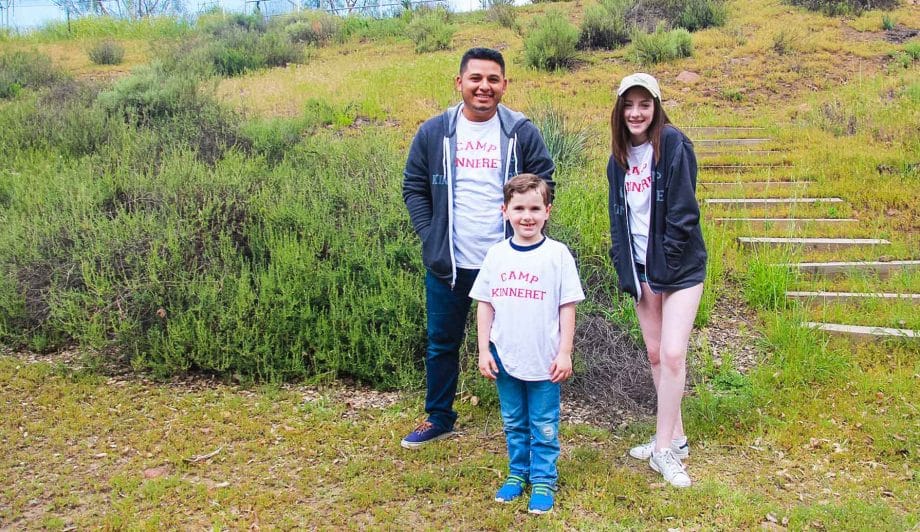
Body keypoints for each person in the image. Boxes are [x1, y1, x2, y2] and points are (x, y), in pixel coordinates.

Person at [401, 48, 555, 449]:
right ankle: (439, 417)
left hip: (507, 261)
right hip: (449, 261)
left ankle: (520, 421)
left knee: (518, 338)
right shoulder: (434, 133)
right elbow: (414, 187)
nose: (483, 86)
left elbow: (546, 181)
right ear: (460, 83)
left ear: (504, 85)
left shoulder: (521, 132)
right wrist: (430, 234)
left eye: (492, 79)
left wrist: (525, 231)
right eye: (475, 78)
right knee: (441, 341)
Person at [606, 73, 707, 488]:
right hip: (642, 268)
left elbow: (684, 214)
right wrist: (626, 266)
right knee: (653, 354)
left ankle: (663, 451)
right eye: (628, 105)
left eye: (644, 104)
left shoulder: (674, 145)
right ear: (619, 110)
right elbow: (618, 219)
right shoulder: (619, 158)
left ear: (656, 107)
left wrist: (664, 267)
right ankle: (675, 437)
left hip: (679, 269)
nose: (636, 112)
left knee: (672, 355)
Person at [469, 174, 584, 514]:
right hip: (505, 358)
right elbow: (485, 304)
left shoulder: (557, 255)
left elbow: (567, 306)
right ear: (505, 211)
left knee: (544, 425)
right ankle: (518, 474)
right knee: (513, 421)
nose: (527, 216)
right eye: (519, 208)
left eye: (535, 208)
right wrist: (483, 350)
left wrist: (565, 352)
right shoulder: (496, 255)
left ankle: (545, 479)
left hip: (545, 361)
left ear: (548, 211)